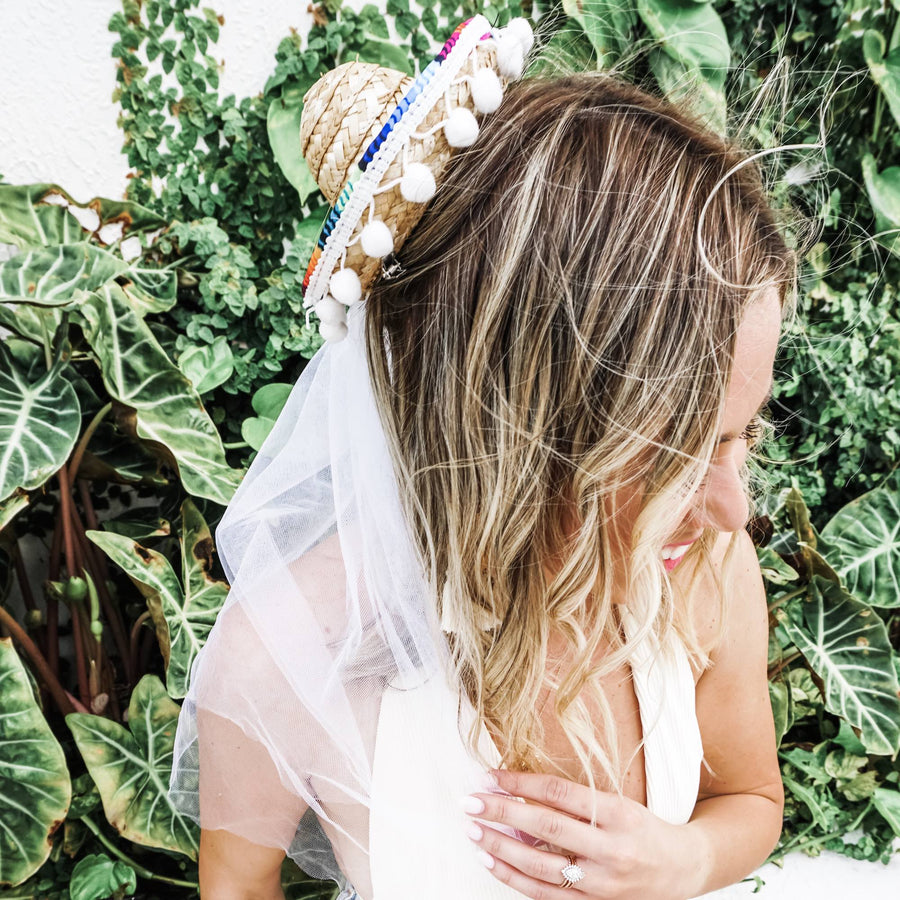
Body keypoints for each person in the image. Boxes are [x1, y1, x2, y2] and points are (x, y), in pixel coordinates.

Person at [170, 14, 795, 900]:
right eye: (679, 454)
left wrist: (688, 858)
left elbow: (751, 797)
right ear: (519, 428)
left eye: (742, 436)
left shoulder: (703, 571)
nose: (735, 508)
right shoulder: (290, 645)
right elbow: (236, 887)